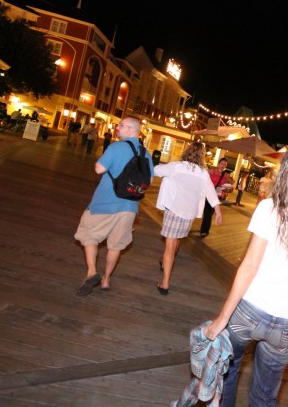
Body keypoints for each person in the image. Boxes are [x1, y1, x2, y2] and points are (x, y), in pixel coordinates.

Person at [204, 142, 288, 406]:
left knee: (227, 373)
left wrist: (222, 318)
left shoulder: (269, 207)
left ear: (285, 171)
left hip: (250, 309)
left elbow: (249, 266)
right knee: (265, 395)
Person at [73, 117, 153, 296]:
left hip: (105, 202)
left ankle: (92, 272)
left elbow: (99, 169)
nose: (118, 128)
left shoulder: (116, 147)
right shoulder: (146, 154)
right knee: (116, 245)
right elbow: (149, 180)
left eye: (122, 126)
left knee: (89, 236)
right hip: (130, 207)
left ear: (133, 129)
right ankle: (106, 279)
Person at [154, 142, 223, 295]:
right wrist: (218, 212)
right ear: (201, 156)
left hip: (174, 209)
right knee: (176, 240)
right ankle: (164, 260)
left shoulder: (176, 166)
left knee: (170, 245)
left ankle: (165, 283)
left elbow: (156, 170)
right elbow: (211, 194)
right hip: (189, 213)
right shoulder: (203, 173)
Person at [200, 158, 232, 238]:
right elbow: (203, 178)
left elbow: (230, 187)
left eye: (225, 164)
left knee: (210, 213)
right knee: (208, 213)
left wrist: (228, 187)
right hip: (209, 194)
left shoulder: (226, 175)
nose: (223, 166)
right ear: (218, 163)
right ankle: (204, 230)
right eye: (222, 163)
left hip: (218, 196)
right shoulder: (211, 171)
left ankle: (204, 228)